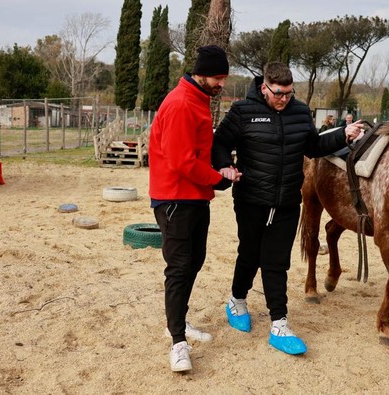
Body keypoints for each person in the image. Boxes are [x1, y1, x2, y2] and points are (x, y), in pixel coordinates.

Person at [212, 62, 362, 355]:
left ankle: (279, 322)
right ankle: (237, 300)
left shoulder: (299, 112)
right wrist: (224, 166)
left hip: (287, 202)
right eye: (278, 93)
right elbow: (219, 143)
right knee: (250, 254)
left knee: (277, 261)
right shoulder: (243, 112)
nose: (283, 99)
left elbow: (313, 146)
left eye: (289, 93)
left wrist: (343, 134)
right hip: (251, 200)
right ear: (264, 87)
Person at [149, 44, 241, 373]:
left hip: (194, 196)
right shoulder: (180, 104)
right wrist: (218, 179)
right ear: (201, 74)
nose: (221, 84)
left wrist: (220, 172)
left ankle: (179, 322)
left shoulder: (199, 100)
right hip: (175, 198)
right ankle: (177, 343)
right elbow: (181, 161)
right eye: (218, 78)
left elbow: (199, 153)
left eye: (224, 78)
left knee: (194, 261)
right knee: (179, 266)